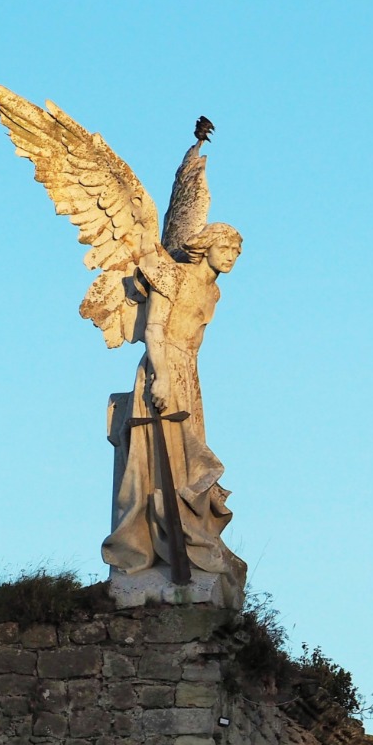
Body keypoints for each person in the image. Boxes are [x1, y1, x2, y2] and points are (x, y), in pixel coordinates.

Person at [103, 224, 249, 607]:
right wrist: (162, 377)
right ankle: (147, 544)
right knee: (153, 460)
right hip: (161, 370)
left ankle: (188, 534)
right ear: (206, 248)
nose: (232, 255)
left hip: (189, 372)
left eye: (237, 250)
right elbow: (154, 329)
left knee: (187, 458)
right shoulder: (172, 274)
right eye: (226, 247)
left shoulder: (212, 290)